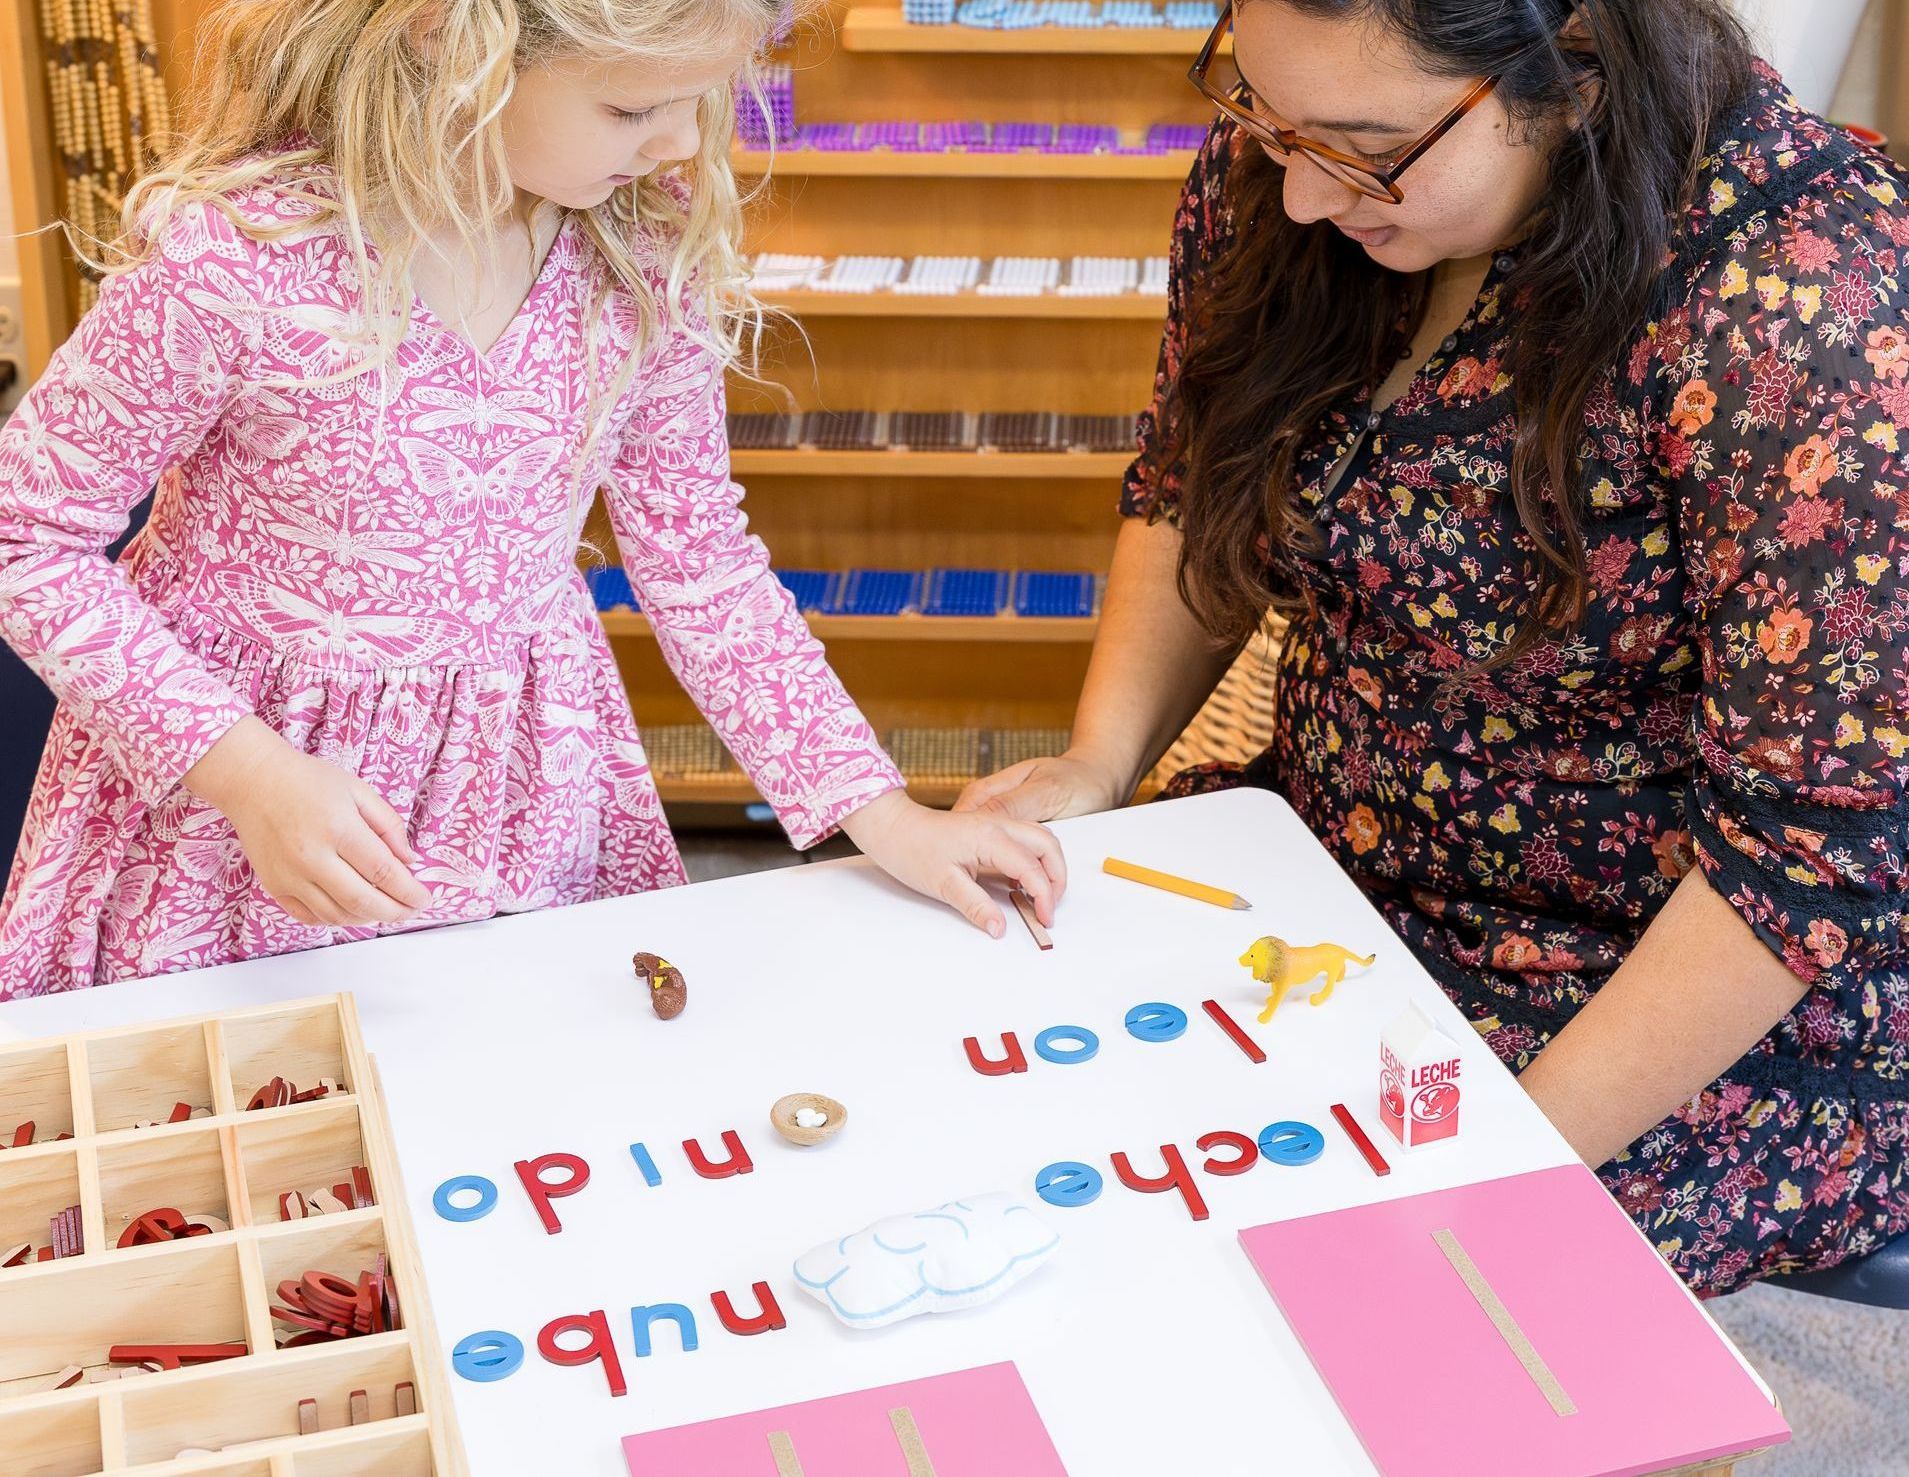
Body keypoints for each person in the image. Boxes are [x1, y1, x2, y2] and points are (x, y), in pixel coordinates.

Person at [959, 0, 1909, 1293]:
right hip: (1322, 869)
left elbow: (1807, 849)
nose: (1297, 193)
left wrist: (1505, 1159)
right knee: (1035, 1128)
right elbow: (1189, 482)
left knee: (1343, 1278)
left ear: (1571, 64)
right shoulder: (1299, 166)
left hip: (1667, 980)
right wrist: (1097, 759)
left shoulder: (1798, 284)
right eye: (1261, 115)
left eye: (1360, 145)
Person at [0, 0, 1065, 997]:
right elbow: (24, 538)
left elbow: (700, 564)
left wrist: (883, 814)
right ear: (451, 41)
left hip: (516, 788)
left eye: (701, 98)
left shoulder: (643, 252)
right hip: (243, 809)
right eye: (632, 107)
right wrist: (248, 773)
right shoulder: (237, 262)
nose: (683, 144)